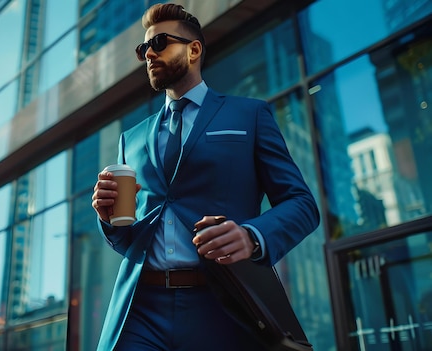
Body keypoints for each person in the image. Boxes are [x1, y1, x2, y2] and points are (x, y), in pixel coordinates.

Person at [91, 3, 320, 350]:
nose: (148, 55)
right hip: (141, 307)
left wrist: (251, 236)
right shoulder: (131, 139)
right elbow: (128, 241)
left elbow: (302, 204)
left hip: (222, 303)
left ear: (194, 49)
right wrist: (109, 221)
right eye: (143, 48)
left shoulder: (250, 115)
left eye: (159, 43)